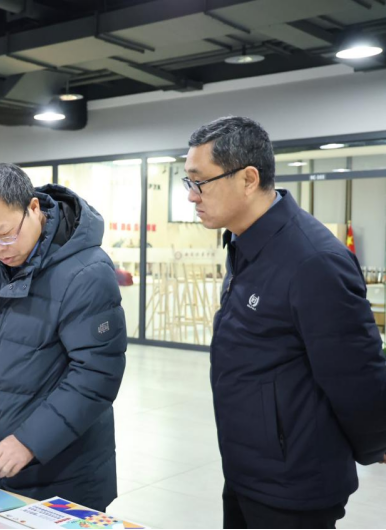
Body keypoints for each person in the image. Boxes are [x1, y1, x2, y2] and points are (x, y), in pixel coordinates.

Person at [184, 116, 386, 529]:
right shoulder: (244, 242)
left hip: (294, 484)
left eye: (200, 182)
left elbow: (355, 372)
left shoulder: (313, 260)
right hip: (247, 468)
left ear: (248, 179)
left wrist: (377, 443)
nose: (192, 196)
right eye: (188, 182)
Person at [0, 163, 127, 511]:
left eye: (6, 234)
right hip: (1, 457)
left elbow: (97, 373)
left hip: (64, 468)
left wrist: (29, 441)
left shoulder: (87, 271)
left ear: (33, 208)